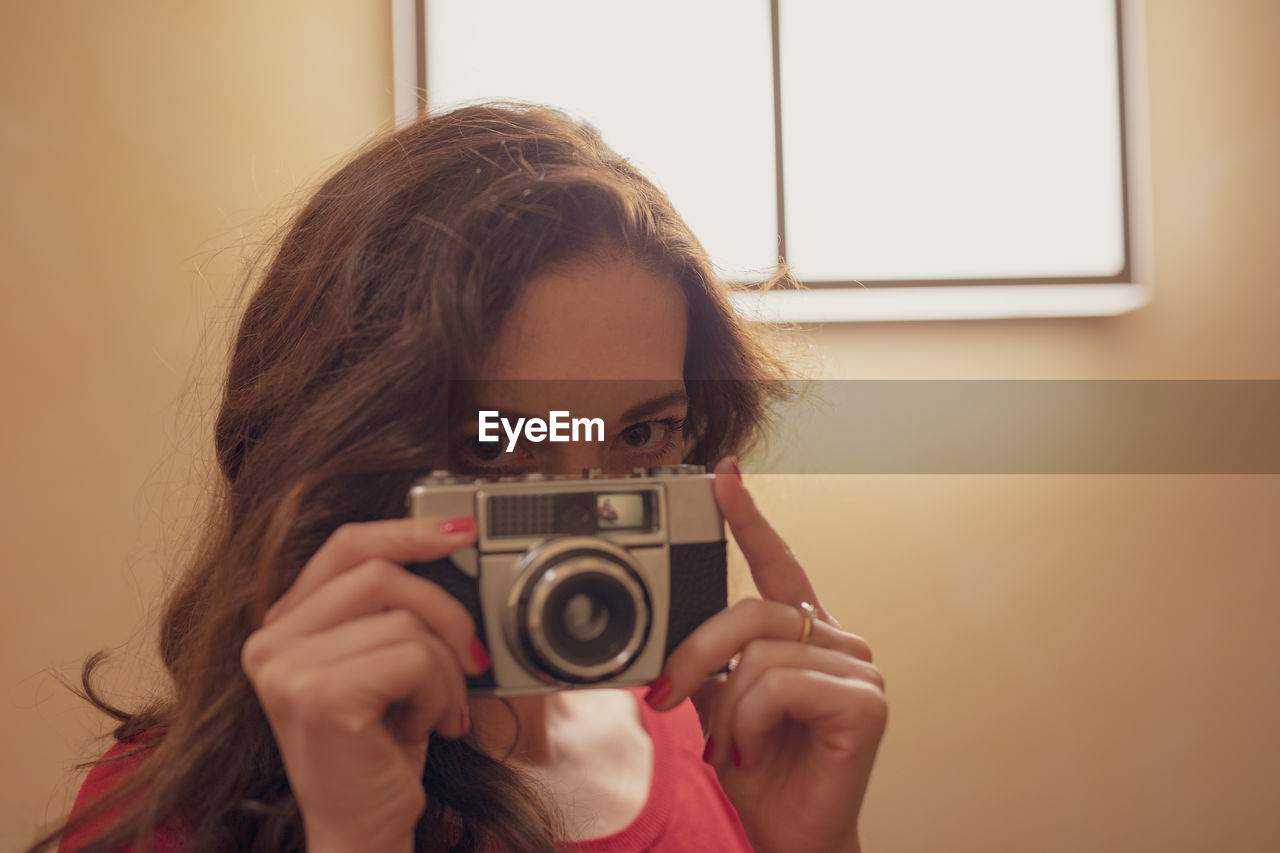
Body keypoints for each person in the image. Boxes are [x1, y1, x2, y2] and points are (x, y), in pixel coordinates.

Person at [33, 103, 886, 853]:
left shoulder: (698, 722)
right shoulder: (174, 811)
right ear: (342, 450)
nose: (582, 513)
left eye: (640, 432)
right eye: (498, 444)